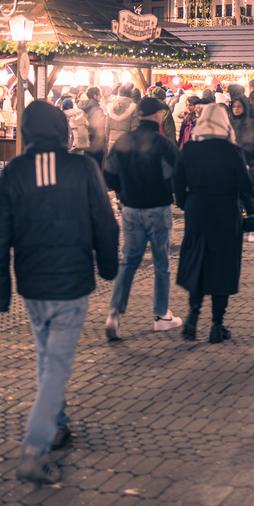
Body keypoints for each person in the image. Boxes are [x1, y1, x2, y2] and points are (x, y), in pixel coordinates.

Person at [0, 101, 118, 484]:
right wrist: (108, 266)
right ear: (62, 130)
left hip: (32, 280)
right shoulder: (82, 168)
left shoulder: (15, 171)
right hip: (71, 280)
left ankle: (57, 422)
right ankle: (34, 446)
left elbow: (0, 234)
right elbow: (104, 222)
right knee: (56, 363)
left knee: (47, 356)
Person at [174, 103, 254, 344]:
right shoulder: (232, 151)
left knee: (198, 258)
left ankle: (193, 312)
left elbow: (177, 183)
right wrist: (250, 208)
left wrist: (186, 203)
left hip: (197, 210)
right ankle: (217, 324)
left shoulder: (189, 150)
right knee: (223, 263)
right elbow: (246, 185)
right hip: (225, 212)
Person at [103, 97, 181, 339]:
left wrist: (123, 193)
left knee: (128, 261)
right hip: (158, 207)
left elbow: (109, 175)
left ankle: (114, 313)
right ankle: (161, 315)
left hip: (131, 209)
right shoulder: (163, 143)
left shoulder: (124, 140)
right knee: (161, 263)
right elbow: (175, 176)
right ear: (158, 114)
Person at [229, 92, 254, 242]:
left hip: (249, 165)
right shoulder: (229, 124)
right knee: (236, 199)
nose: (236, 108)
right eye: (234, 106)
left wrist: (252, 151)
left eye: (239, 106)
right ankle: (238, 226)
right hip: (233, 166)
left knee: (250, 198)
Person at [104, 85, 139, 154]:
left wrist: (108, 142)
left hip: (112, 144)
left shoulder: (111, 108)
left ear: (119, 94)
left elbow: (107, 128)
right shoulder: (133, 108)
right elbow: (135, 129)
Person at [81, 86, 107, 167]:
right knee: (96, 167)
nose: (101, 97)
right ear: (95, 96)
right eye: (99, 95)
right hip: (96, 143)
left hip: (84, 142)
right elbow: (100, 128)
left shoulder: (81, 107)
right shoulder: (98, 110)